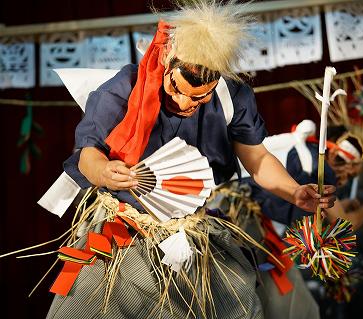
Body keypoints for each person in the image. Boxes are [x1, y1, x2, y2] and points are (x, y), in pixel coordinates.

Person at [46, 1, 336, 319]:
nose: (185, 102)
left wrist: (293, 191)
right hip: (126, 227)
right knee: (90, 305)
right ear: (168, 60)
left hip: (194, 230)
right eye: (176, 89)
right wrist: (104, 171)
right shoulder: (125, 89)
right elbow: (87, 155)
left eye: (199, 97)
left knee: (240, 298)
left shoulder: (232, 96)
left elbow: (257, 159)